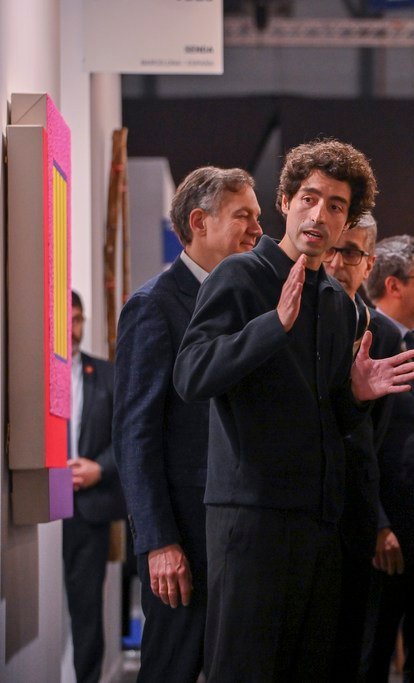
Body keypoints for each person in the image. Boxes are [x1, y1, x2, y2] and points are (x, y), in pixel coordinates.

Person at [173, 139, 414, 679]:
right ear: (285, 201)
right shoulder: (238, 276)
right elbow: (191, 375)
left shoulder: (337, 302)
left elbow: (329, 418)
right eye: (309, 198)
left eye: (335, 206)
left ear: (347, 221)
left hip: (320, 525)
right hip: (252, 519)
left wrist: (355, 396)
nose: (319, 215)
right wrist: (273, 326)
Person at [114, 166, 261, 682]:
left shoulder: (248, 303)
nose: (257, 230)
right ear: (199, 222)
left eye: (257, 216)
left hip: (239, 530)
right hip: (183, 542)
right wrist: (158, 541)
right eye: (243, 216)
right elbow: (135, 437)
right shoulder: (153, 307)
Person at [321, 214, 404, 679]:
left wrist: (376, 519)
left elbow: (376, 440)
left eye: (350, 252)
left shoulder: (384, 335)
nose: (336, 261)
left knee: (353, 648)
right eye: (330, 248)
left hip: (355, 511)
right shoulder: (291, 317)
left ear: (369, 263)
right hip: (301, 509)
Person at [362, 235, 414, 683]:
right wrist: (377, 523)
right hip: (384, 532)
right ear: (394, 284)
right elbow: (357, 443)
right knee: (371, 653)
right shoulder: (365, 340)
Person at [64, 290, 125, 683]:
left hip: (89, 506)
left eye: (78, 319)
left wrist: (99, 469)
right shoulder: (32, 375)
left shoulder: (106, 374)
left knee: (87, 612)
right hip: (40, 507)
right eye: (66, 320)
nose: (73, 329)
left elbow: (127, 434)